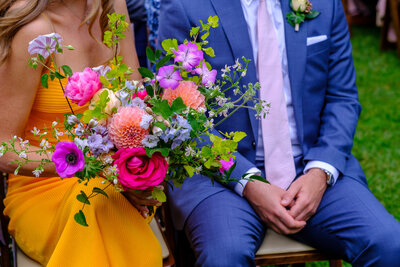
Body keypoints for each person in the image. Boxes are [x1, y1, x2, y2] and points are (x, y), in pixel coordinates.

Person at [157, 0, 400, 266]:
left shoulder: (325, 3)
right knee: (224, 256)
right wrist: (247, 182)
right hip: (220, 176)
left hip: (310, 168)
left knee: (389, 243)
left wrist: (319, 173)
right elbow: (180, 115)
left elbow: (342, 99)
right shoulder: (185, 6)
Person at [0, 0, 162, 266]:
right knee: (91, 208)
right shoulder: (34, 29)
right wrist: (88, 165)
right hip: (43, 188)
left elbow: (137, 102)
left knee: (103, 203)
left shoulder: (113, 7)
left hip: (115, 181)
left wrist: (131, 176)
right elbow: (4, 148)